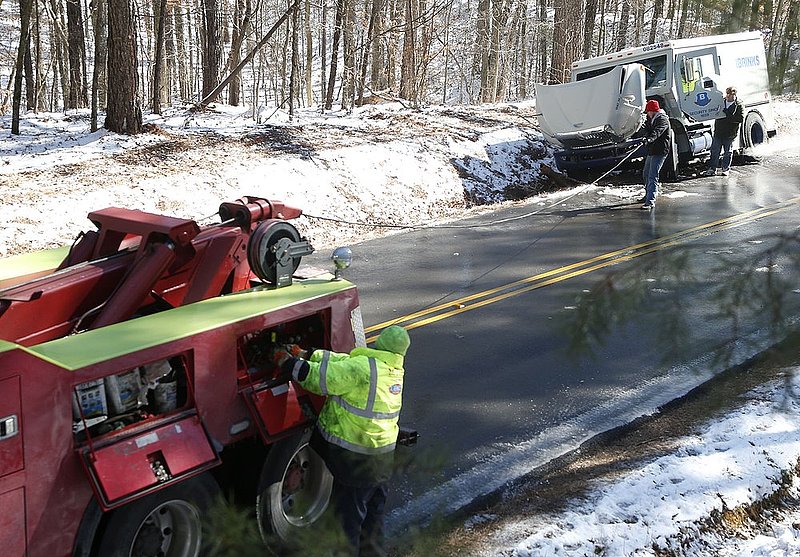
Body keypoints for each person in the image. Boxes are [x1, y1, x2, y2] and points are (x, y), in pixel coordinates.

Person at [277, 325, 411, 556]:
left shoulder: (364, 370)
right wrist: (306, 353)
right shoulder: (393, 371)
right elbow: (342, 362)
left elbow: (321, 379)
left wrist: (287, 362)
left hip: (356, 464)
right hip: (381, 462)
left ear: (379, 343)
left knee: (346, 525)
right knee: (372, 523)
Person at [639, 99, 671, 210]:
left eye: (648, 111)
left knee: (653, 175)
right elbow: (647, 130)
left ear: (652, 111)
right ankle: (648, 194)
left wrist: (649, 139)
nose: (647, 113)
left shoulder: (662, 119)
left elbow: (657, 132)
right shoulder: (651, 118)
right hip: (652, 150)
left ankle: (650, 201)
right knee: (646, 173)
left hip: (660, 151)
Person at [706, 86, 744, 176]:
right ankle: (712, 168)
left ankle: (725, 169)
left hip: (730, 133)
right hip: (718, 131)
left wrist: (728, 115)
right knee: (715, 151)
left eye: (730, 94)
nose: (728, 96)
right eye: (727, 93)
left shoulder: (739, 105)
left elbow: (740, 119)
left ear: (734, 94)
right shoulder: (721, 102)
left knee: (728, 152)